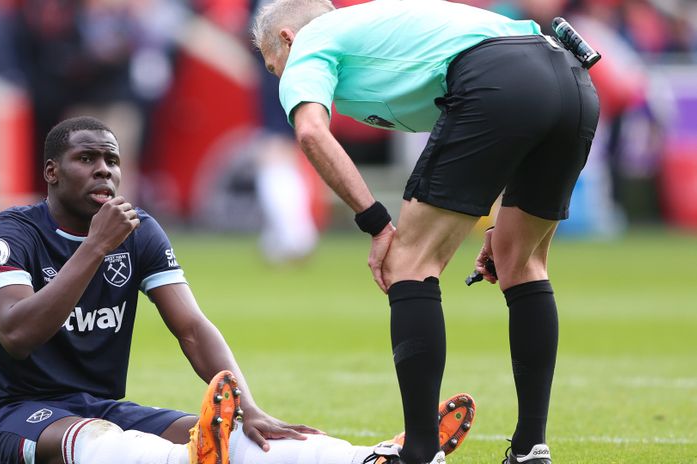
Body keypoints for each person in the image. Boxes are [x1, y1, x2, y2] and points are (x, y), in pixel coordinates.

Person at [0, 116, 476, 464]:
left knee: (244, 436)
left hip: (97, 403)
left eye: (112, 160)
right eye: (86, 159)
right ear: (50, 172)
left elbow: (192, 328)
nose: (104, 171)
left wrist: (250, 405)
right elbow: (16, 333)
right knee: (105, 444)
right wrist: (93, 249)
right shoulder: (11, 234)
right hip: (7, 417)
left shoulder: (137, 233)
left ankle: (377, 456)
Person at [251, 1, 600, 463]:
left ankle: (419, 451)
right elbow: (511, 98)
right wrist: (497, 218)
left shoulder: (313, 39)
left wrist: (375, 222)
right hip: (569, 77)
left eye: (276, 68)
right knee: (522, 261)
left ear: (288, 39)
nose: (283, 81)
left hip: (500, 77)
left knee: (407, 264)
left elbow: (312, 133)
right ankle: (530, 448)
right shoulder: (379, 30)